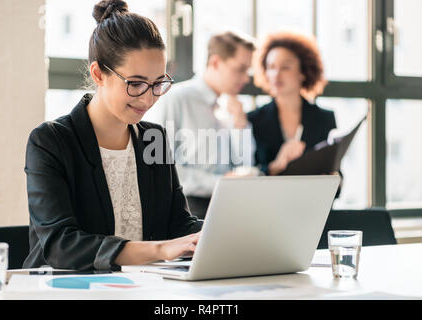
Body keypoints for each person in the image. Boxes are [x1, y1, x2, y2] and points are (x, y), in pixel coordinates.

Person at [23, 0, 202, 271]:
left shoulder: (154, 139)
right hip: (66, 288)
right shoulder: (50, 141)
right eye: (136, 83)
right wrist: (162, 249)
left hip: (141, 286)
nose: (149, 97)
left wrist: (219, 233)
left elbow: (177, 223)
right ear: (98, 74)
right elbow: (61, 245)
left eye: (157, 84)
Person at [149, 31, 256, 219]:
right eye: (240, 69)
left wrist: (241, 125)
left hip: (228, 205)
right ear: (215, 63)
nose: (246, 78)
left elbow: (246, 164)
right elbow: (159, 168)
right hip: (188, 208)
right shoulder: (176, 99)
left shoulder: (230, 106)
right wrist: (221, 182)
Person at [233, 31, 339, 177]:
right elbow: (247, 175)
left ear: (303, 72)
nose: (276, 74)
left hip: (312, 199)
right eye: (271, 67)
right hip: (269, 199)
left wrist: (331, 177)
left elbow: (337, 180)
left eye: (285, 67)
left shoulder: (324, 118)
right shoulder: (253, 119)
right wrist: (276, 166)